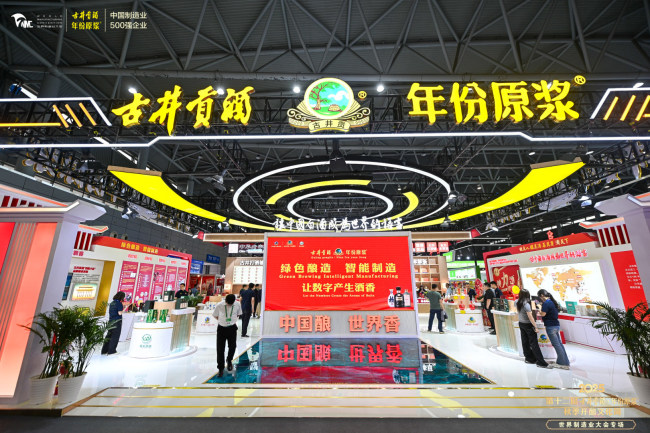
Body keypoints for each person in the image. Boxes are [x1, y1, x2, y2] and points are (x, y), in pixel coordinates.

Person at [516, 288, 550, 368]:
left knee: (525, 342)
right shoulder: (526, 304)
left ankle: (529, 358)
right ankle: (540, 362)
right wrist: (535, 326)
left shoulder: (517, 302)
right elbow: (530, 317)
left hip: (521, 323)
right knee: (534, 343)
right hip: (528, 325)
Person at [537, 289, 570, 369]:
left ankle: (563, 364)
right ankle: (564, 362)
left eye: (539, 297)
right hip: (555, 325)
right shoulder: (552, 302)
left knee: (556, 345)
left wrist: (539, 308)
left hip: (550, 326)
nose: (540, 299)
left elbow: (543, 314)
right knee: (559, 344)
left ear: (542, 295)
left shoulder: (546, 303)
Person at [213, 294, 242, 377]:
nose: (229, 305)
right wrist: (223, 321)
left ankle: (229, 360)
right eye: (228, 303)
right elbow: (215, 315)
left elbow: (238, 314)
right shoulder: (219, 305)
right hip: (221, 328)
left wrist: (231, 321)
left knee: (233, 346)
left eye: (231, 304)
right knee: (220, 349)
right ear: (225, 301)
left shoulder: (237, 304)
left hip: (232, 328)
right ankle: (220, 368)